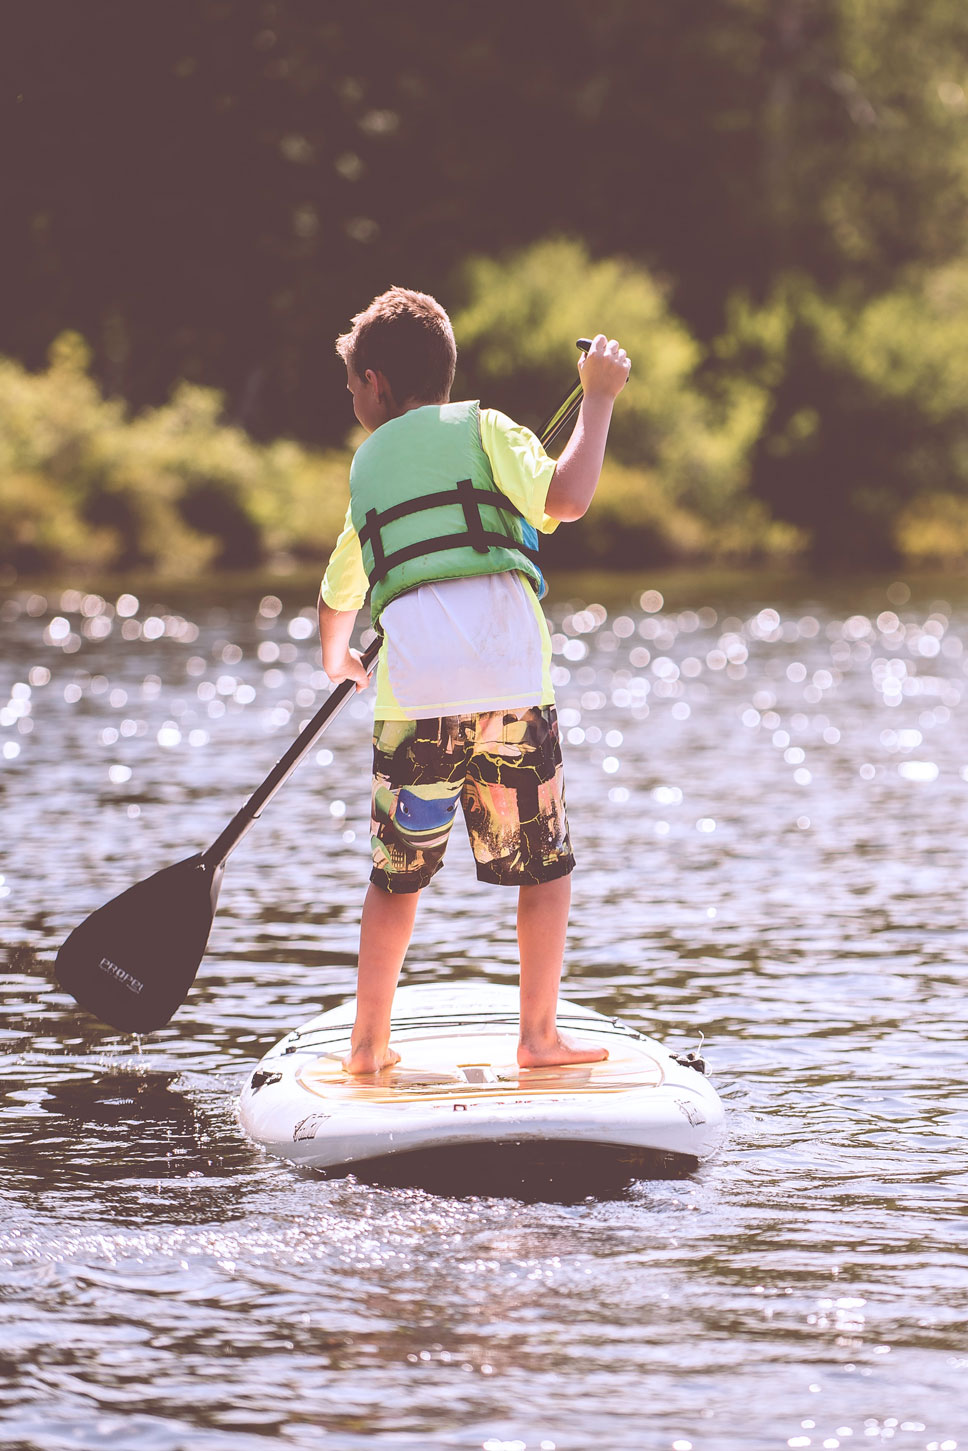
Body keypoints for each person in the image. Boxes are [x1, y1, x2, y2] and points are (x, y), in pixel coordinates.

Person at [318, 287, 630, 1074]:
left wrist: (338, 658)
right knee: (544, 868)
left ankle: (366, 1046)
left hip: (416, 702)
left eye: (354, 383)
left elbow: (340, 591)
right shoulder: (487, 429)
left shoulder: (367, 468)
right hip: (512, 693)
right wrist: (597, 402)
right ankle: (538, 1038)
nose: (352, 396)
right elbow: (569, 496)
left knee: (397, 880)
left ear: (379, 385)